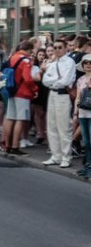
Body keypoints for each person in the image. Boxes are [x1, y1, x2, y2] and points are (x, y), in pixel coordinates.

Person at [42, 39, 77, 168]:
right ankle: (55, 155)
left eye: (59, 47)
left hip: (63, 94)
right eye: (55, 47)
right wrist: (55, 81)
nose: (57, 50)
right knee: (51, 126)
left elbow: (66, 80)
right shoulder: (52, 62)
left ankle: (66, 156)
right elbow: (45, 80)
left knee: (63, 127)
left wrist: (54, 81)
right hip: (52, 93)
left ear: (65, 48)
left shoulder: (69, 62)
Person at [1, 41, 35, 156]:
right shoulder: (26, 60)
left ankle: (7, 144)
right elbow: (27, 78)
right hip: (22, 92)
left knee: (10, 118)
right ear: (29, 49)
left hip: (11, 90)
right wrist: (35, 89)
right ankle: (15, 146)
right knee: (20, 119)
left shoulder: (13, 57)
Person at [72, 54, 91, 178]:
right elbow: (78, 97)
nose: (88, 65)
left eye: (90, 63)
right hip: (83, 113)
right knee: (86, 141)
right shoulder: (80, 80)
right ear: (83, 65)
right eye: (86, 63)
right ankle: (87, 166)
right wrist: (75, 112)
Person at [31, 48, 49, 145]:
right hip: (36, 89)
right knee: (38, 113)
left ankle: (45, 133)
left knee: (45, 113)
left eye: (43, 55)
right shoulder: (34, 66)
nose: (41, 57)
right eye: (40, 55)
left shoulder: (48, 64)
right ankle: (40, 132)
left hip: (45, 89)